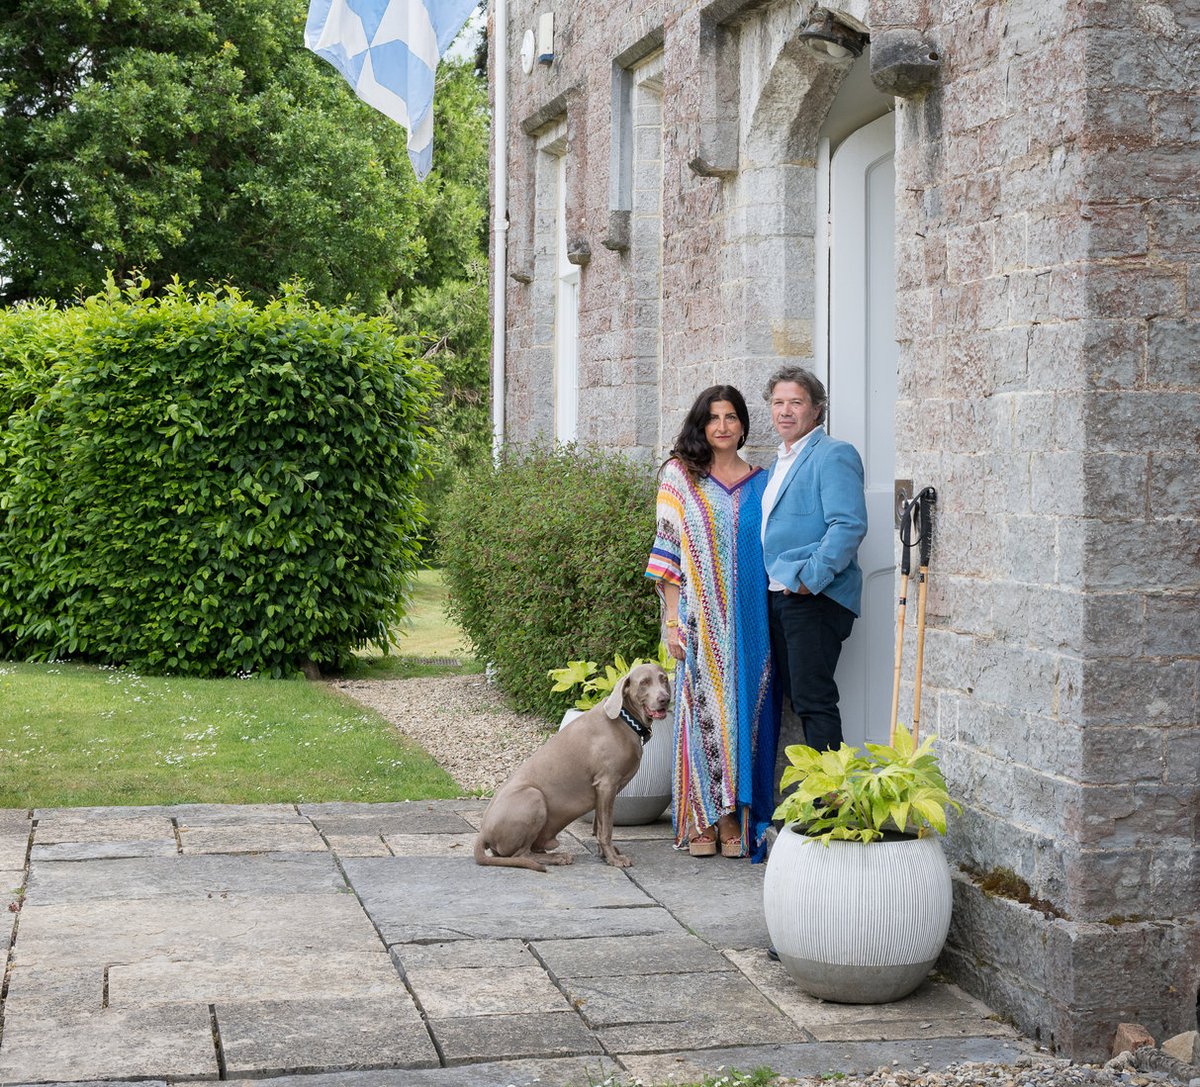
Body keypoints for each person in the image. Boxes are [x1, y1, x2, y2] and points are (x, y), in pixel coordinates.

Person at [645, 385, 780, 861]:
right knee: (705, 715)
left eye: (731, 417)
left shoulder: (765, 481)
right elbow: (666, 553)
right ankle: (704, 818)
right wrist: (670, 621)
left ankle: (738, 818)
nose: (722, 425)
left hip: (753, 622)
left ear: (743, 425)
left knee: (747, 715)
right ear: (701, 424)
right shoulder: (680, 476)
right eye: (713, 417)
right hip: (699, 620)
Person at [760, 366, 868, 755]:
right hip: (781, 596)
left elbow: (849, 525)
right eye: (778, 402)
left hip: (813, 598)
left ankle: (830, 807)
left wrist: (809, 579)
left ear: (817, 410)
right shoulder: (778, 464)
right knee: (799, 700)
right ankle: (817, 799)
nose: (785, 411)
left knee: (814, 700)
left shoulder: (833, 454)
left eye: (796, 402)